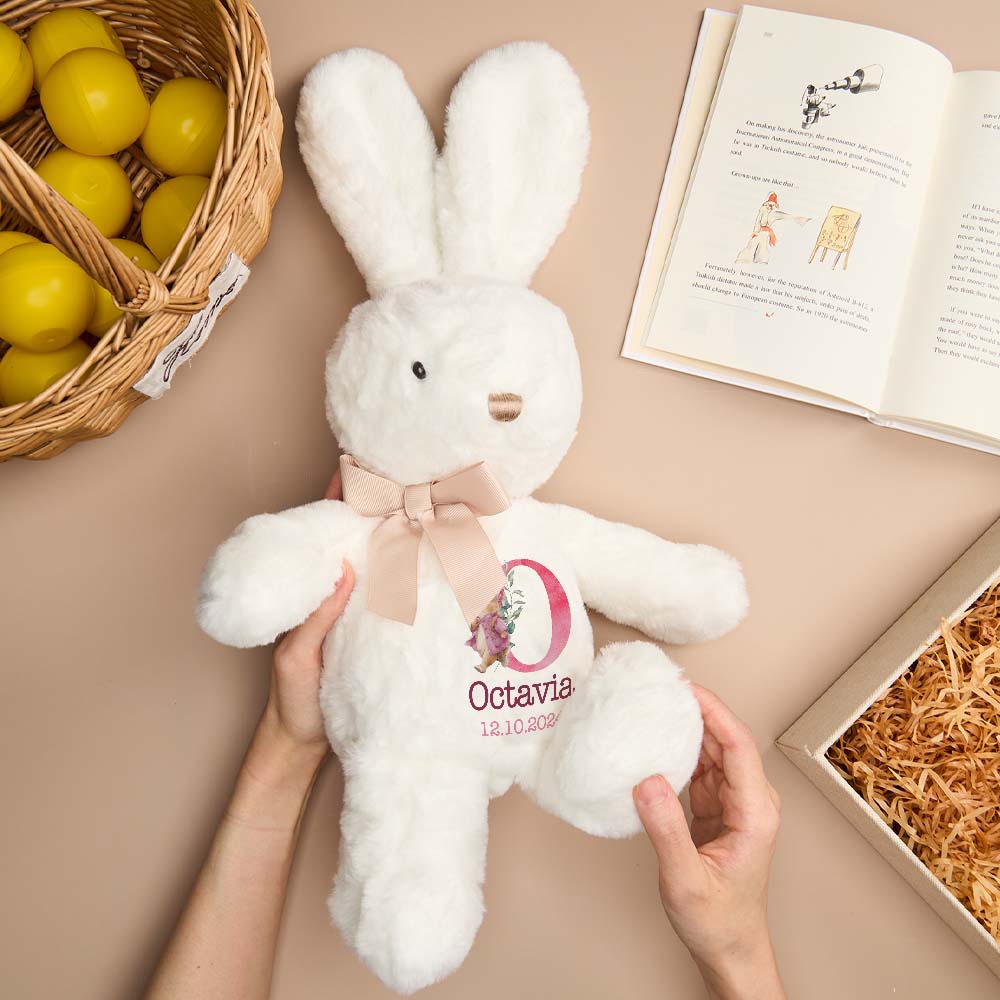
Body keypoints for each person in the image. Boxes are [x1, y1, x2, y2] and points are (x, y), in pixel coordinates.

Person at [145, 475, 785, 1000]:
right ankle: (411, 910)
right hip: (414, 751)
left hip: (548, 723)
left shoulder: (526, 520)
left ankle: (609, 769)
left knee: (606, 746)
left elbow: (655, 575)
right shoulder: (368, 527)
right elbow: (247, 592)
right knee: (409, 822)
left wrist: (290, 741)